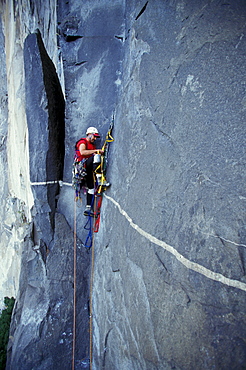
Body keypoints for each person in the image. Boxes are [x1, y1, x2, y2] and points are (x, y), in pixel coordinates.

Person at [75, 127, 104, 216]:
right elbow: (82, 152)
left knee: (91, 188)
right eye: (94, 136)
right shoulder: (83, 142)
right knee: (96, 156)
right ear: (89, 134)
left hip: (88, 168)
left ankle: (88, 208)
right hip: (83, 166)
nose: (95, 139)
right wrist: (96, 151)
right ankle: (100, 179)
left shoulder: (92, 145)